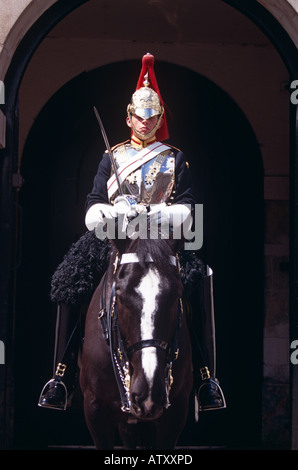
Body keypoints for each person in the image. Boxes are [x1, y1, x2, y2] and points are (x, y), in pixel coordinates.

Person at [38, 53, 226, 415]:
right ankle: (60, 376)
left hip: (162, 243)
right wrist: (112, 211)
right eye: (139, 117)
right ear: (128, 118)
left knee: (202, 279)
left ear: (160, 118)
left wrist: (150, 211)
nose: (145, 122)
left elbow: (188, 208)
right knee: (68, 280)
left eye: (152, 117)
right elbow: (93, 204)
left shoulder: (175, 159)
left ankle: (205, 377)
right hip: (116, 240)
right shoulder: (112, 157)